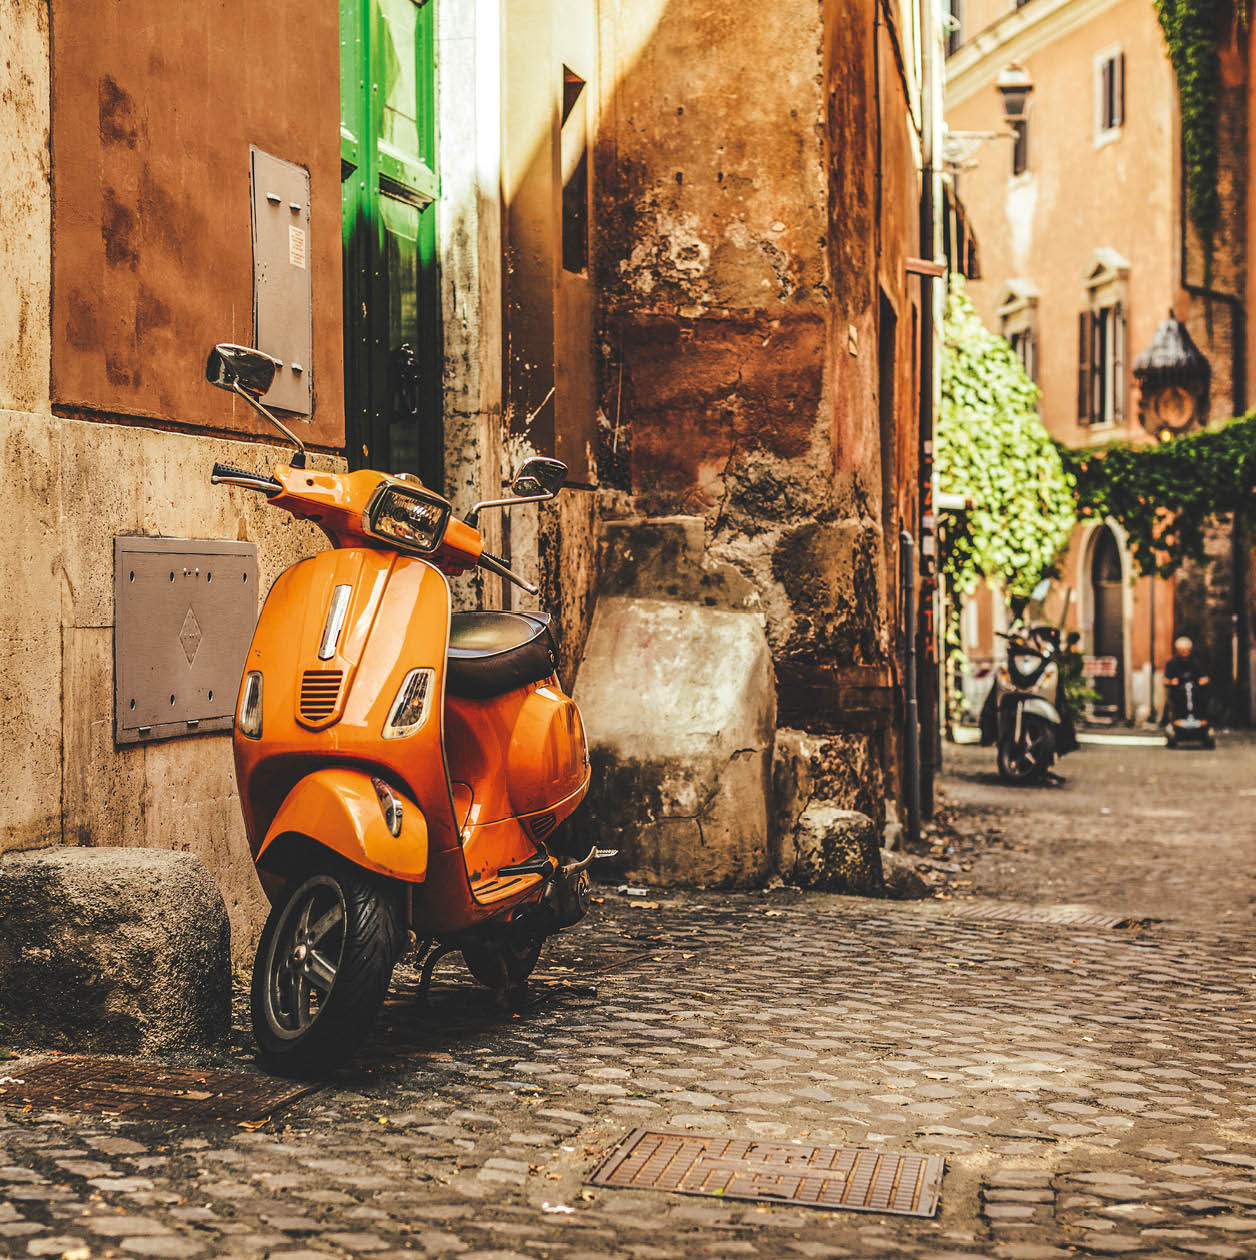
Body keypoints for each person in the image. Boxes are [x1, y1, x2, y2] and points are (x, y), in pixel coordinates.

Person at [1161, 636, 1210, 726]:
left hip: (1194, 690)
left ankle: (1200, 718)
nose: (1184, 652)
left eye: (1186, 649)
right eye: (1181, 649)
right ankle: (1177, 719)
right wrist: (1171, 682)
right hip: (1178, 691)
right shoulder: (1172, 663)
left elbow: (1205, 677)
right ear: (1177, 650)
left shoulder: (1196, 662)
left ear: (1190, 650)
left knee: (1201, 696)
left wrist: (1202, 680)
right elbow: (1165, 680)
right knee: (1175, 698)